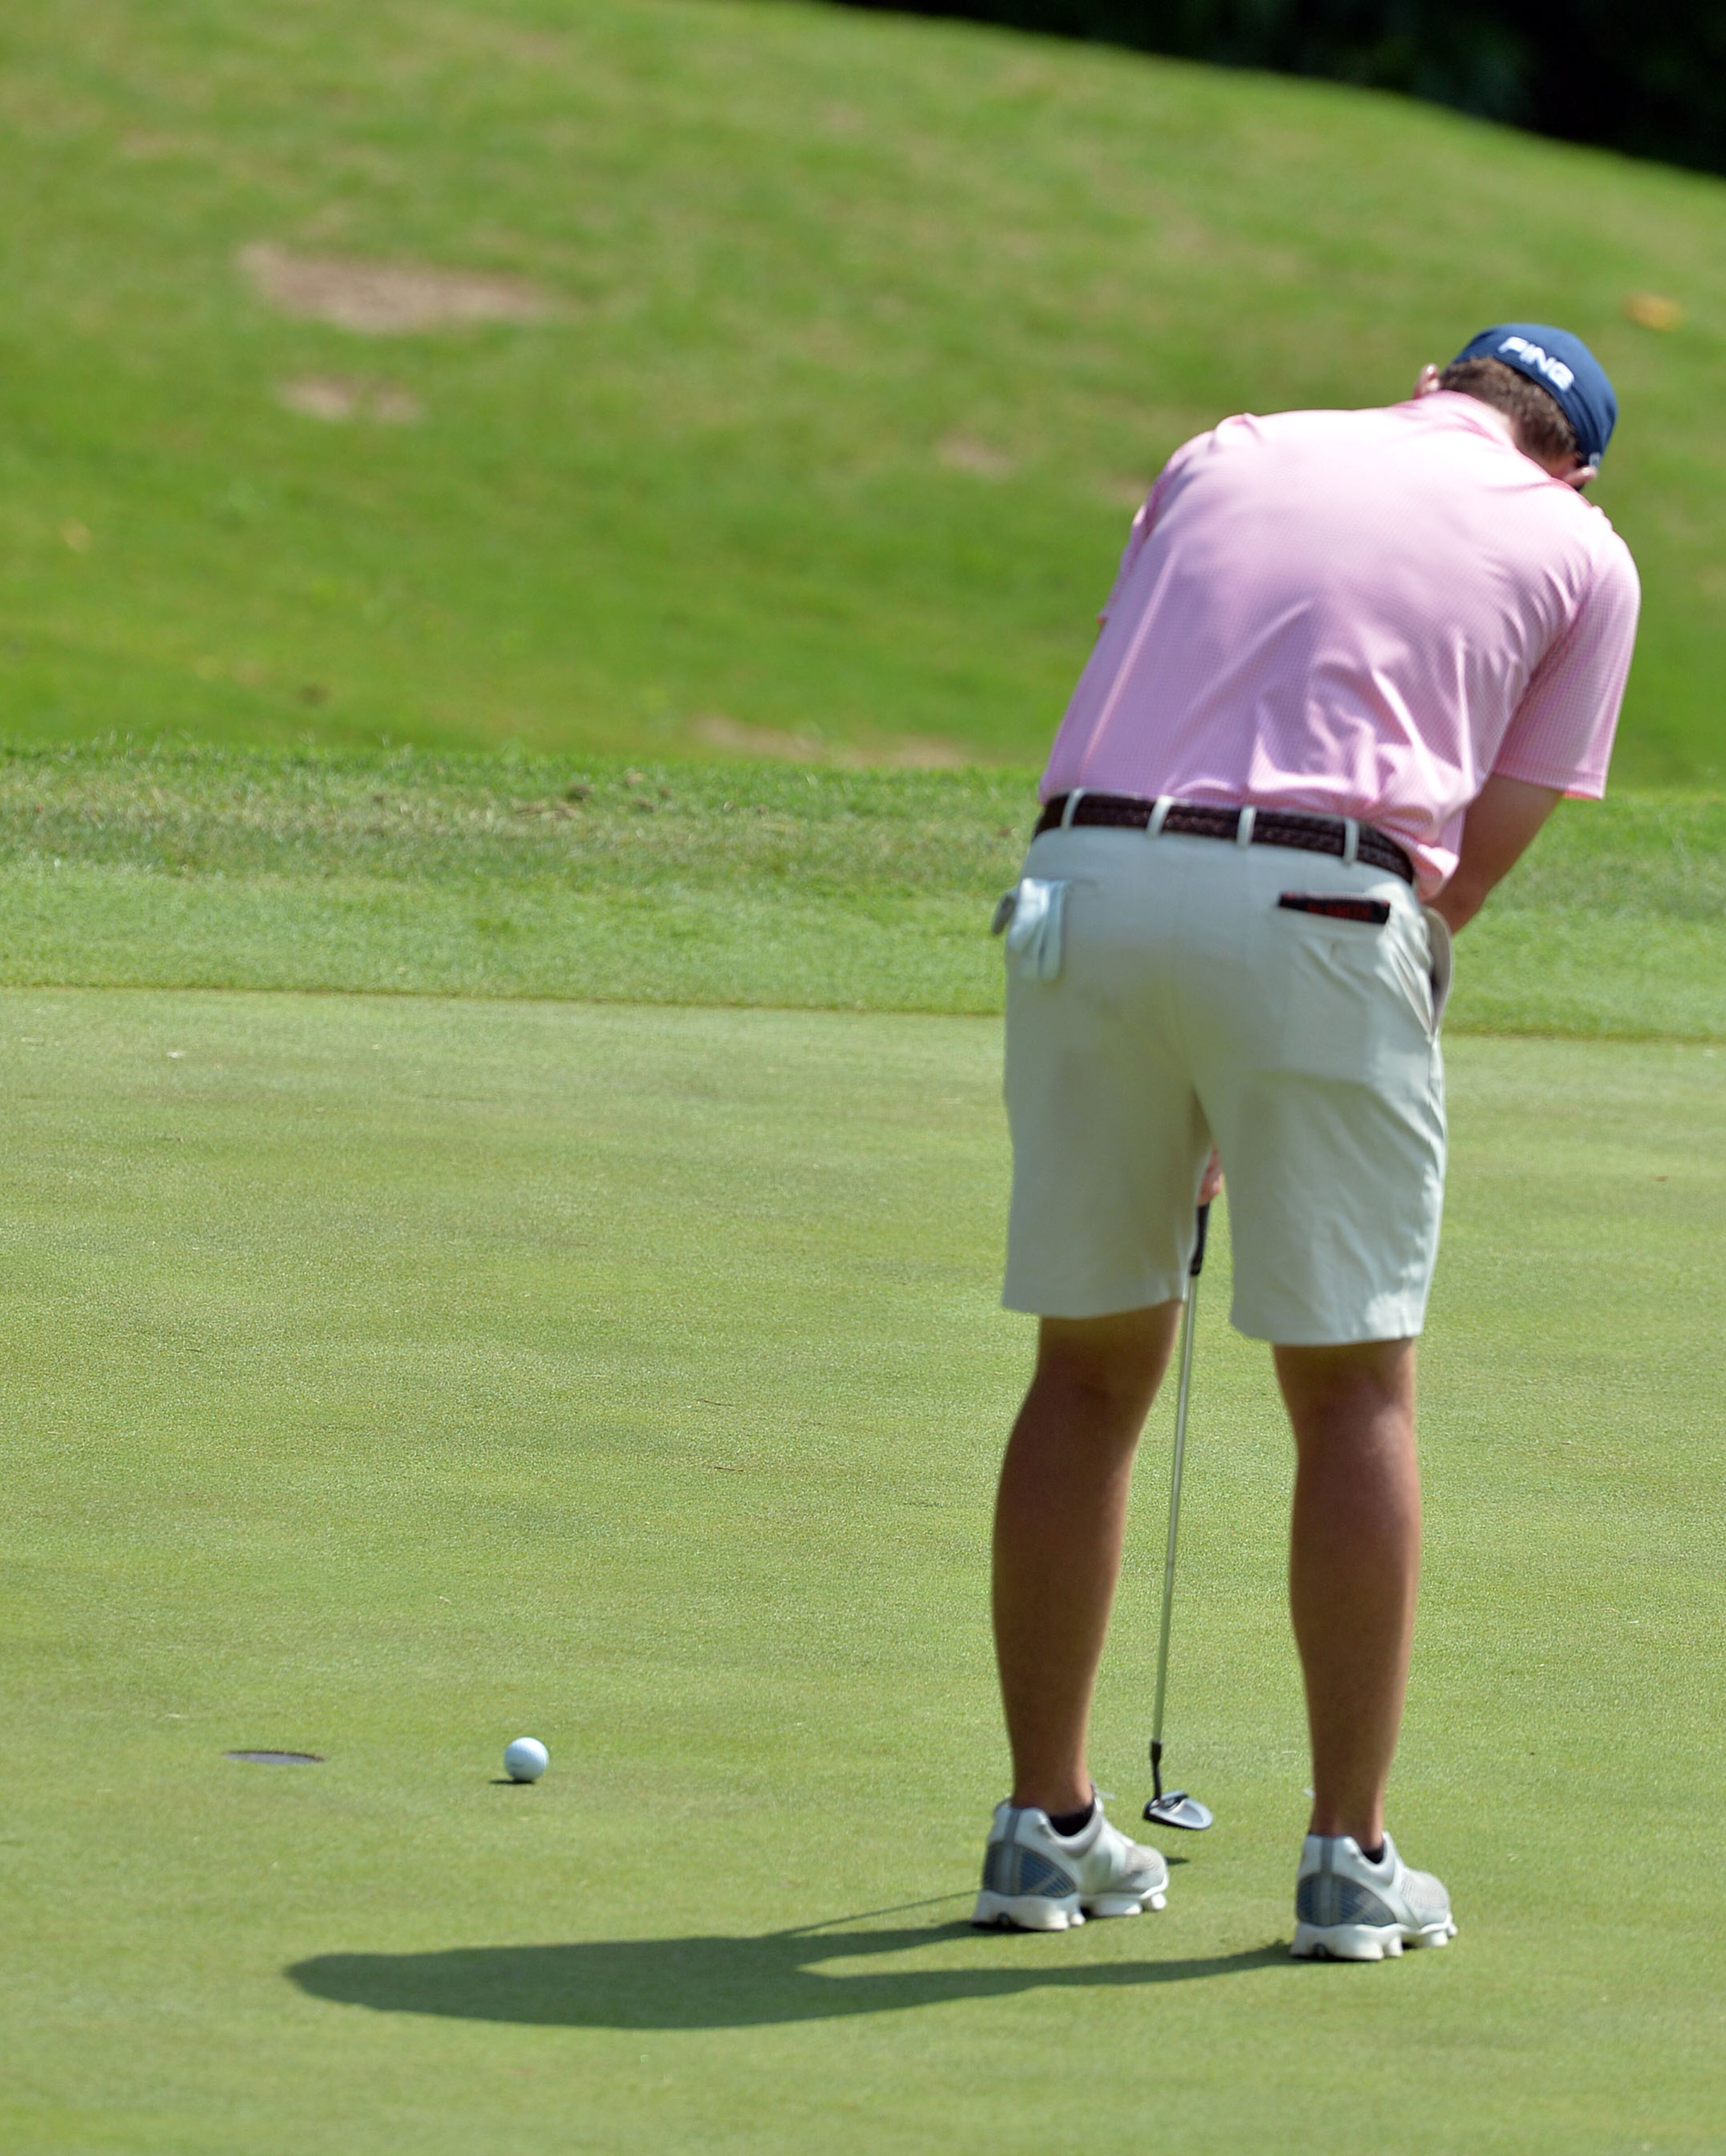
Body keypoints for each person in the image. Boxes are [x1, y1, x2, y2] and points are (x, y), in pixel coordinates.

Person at [971, 325, 1639, 1960]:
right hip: (1333, 899)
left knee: (1084, 1368)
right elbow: (1468, 867)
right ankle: (1350, 1860)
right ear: (1574, 457)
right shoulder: (1581, 548)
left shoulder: (1234, 444)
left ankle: (1040, 1833)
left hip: (1083, 889)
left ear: (1431, 384)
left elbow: (1159, 682)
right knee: (1350, 1386)